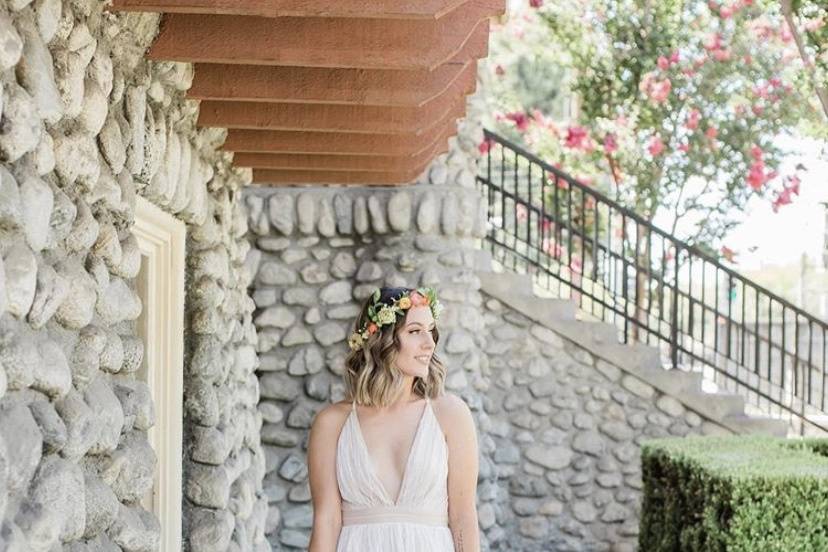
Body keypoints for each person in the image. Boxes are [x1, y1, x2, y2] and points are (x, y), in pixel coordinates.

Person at [307, 286, 480, 551]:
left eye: (430, 330)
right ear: (382, 340)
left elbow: (463, 517)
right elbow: (327, 521)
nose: (429, 342)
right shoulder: (332, 422)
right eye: (414, 331)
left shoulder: (451, 415)